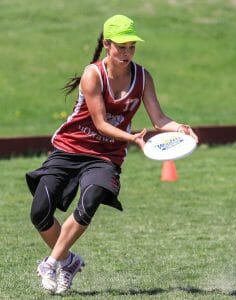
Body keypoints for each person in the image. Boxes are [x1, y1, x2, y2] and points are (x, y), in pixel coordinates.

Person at [26, 14, 198, 294]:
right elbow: (100, 123)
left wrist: (181, 128)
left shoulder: (142, 77)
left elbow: (159, 119)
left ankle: (51, 262)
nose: (127, 52)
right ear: (107, 44)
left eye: (132, 46)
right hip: (71, 148)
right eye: (122, 46)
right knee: (40, 213)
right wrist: (132, 137)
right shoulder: (93, 74)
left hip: (105, 157)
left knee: (92, 197)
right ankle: (68, 261)